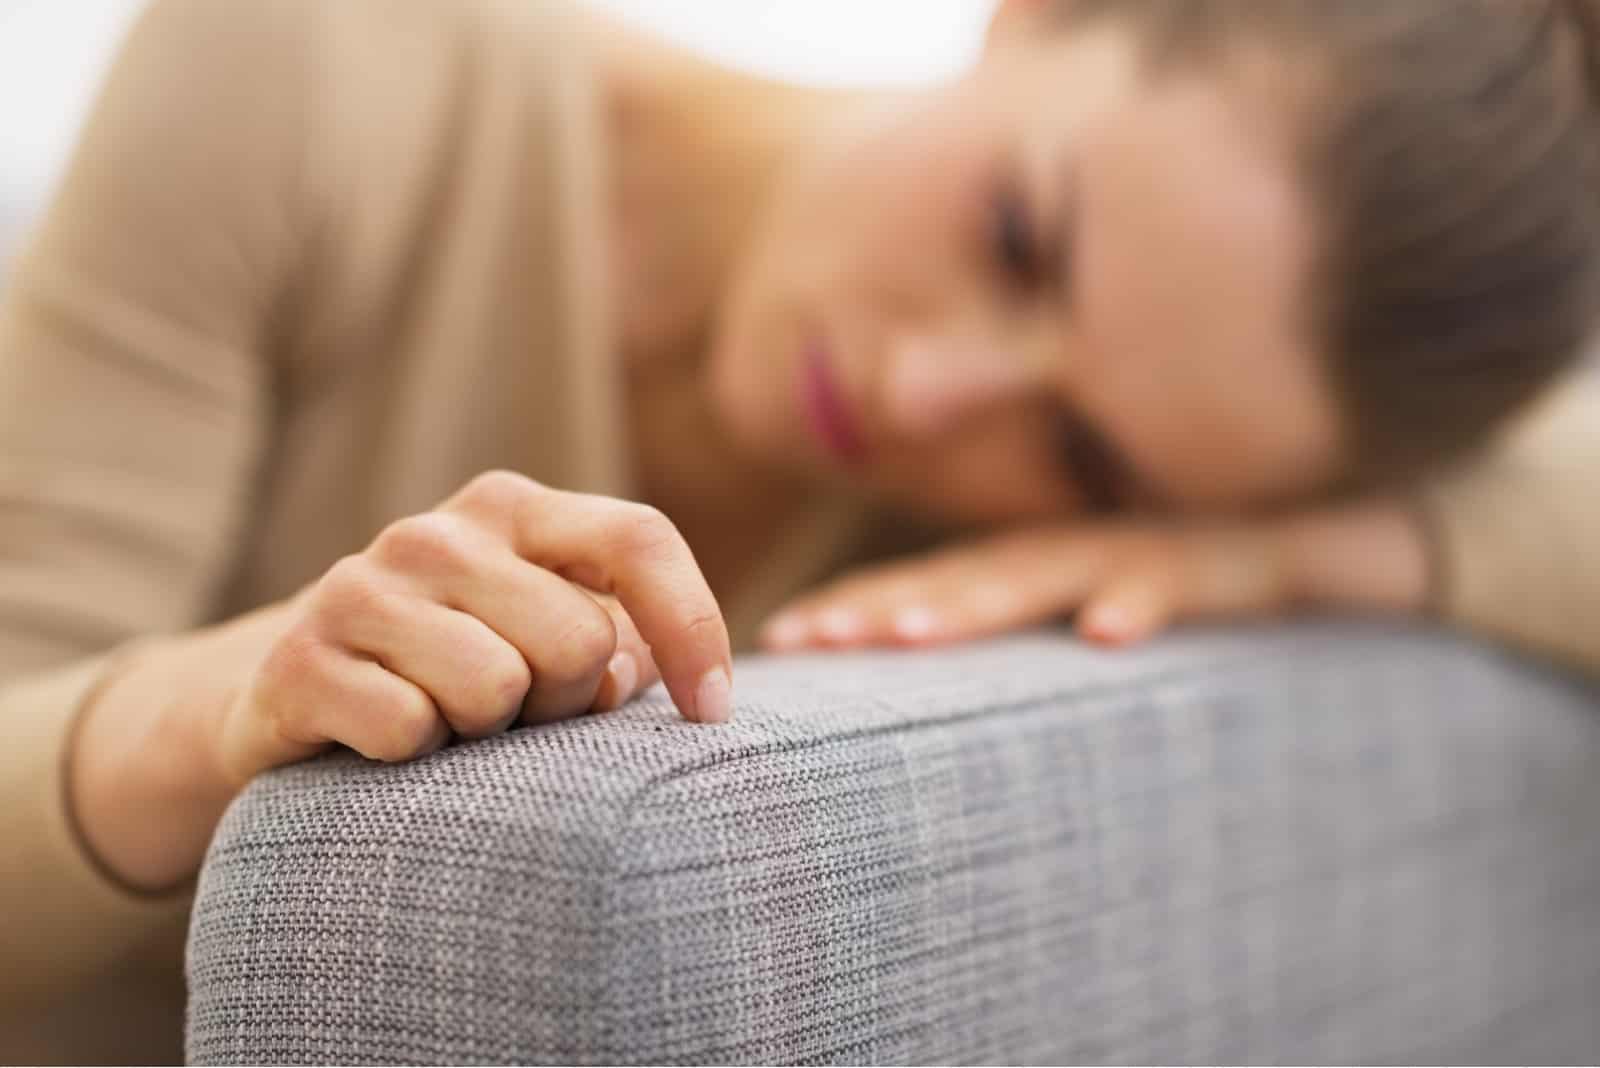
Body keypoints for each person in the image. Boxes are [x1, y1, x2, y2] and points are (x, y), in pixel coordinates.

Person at [3, 0, 1599, 1060]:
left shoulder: (1141, 506)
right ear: (1033, 15)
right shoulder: (324, 59)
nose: (925, 390)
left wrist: (1292, 557)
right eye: (1018, 239)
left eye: (1083, 455)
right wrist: (220, 718)